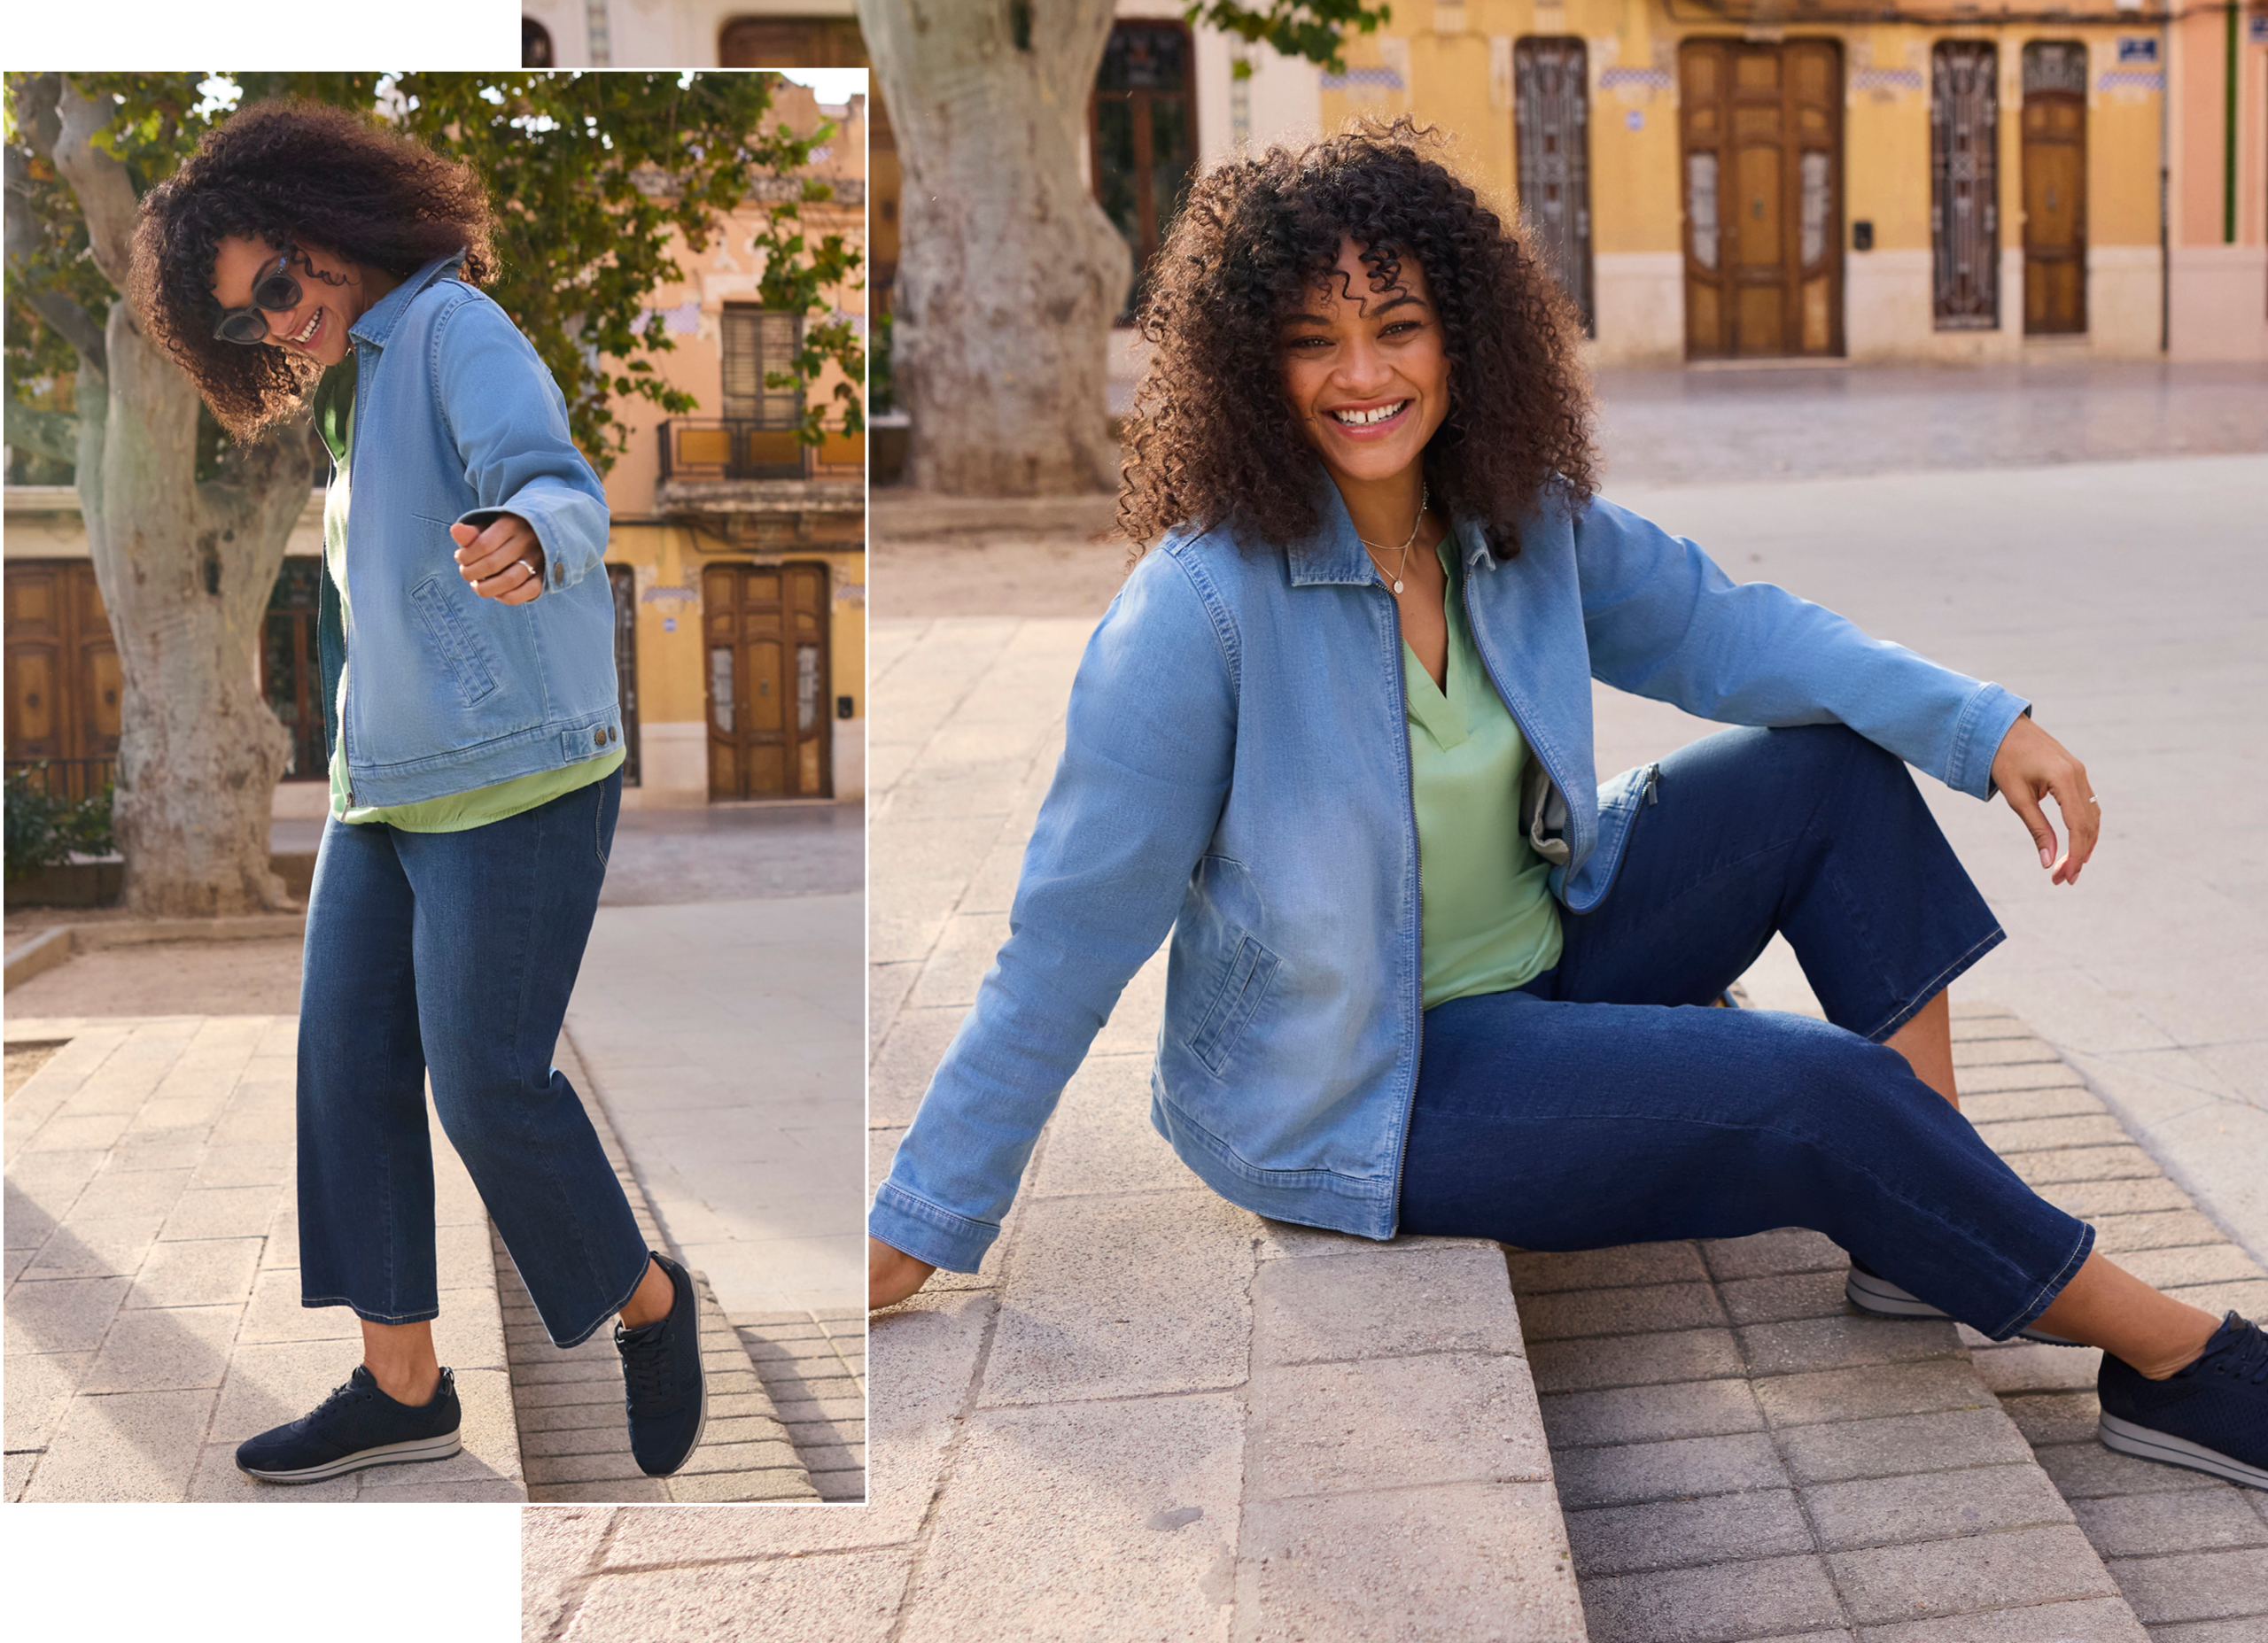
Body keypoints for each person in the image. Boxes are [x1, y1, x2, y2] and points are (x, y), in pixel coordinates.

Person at [866, 124, 2265, 1495]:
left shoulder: (1509, 515)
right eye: (1312, 340)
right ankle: (2174, 1359)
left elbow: (1731, 632)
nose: (1363, 375)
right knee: (1818, 1091)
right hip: (1372, 1084)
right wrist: (925, 1216)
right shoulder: (1198, 614)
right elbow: (1064, 941)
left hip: (1549, 942)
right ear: (1248, 366)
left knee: (1831, 771)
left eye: (1398, 325)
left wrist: (1982, 724)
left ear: (1462, 336)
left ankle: (1928, 1228)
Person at [130, 99, 705, 1484]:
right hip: (382, 793)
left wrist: (529, 535)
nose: (277, 324)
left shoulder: (453, 328)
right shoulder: (355, 380)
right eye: (247, 322)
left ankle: (650, 1302)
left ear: (331, 225)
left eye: (278, 285)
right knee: (346, 1075)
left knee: (489, 1086)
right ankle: (403, 1387)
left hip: (517, 778)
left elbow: (555, 482)